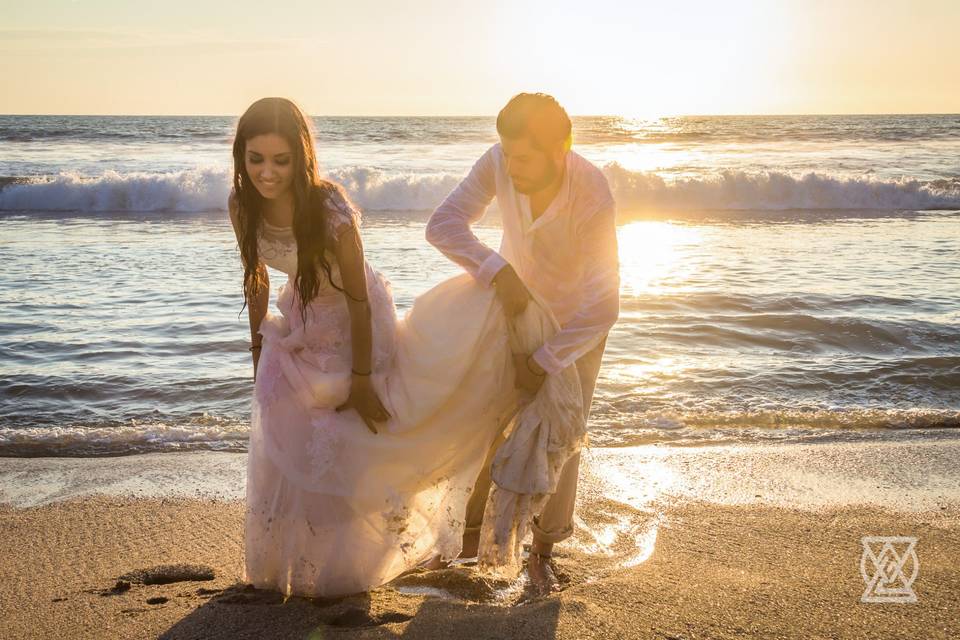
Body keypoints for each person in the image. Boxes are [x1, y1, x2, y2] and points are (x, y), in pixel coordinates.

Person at [229, 97, 581, 598]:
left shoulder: (329, 209)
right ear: (241, 156)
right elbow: (257, 276)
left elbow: (356, 298)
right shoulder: (240, 204)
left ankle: (359, 552)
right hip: (305, 312)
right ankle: (297, 555)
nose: (267, 173)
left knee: (352, 427)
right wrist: (258, 350)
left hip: (357, 319)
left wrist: (363, 377)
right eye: (255, 159)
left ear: (302, 156)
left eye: (280, 160)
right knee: (286, 414)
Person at [426, 92, 620, 594]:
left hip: (576, 327)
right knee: (485, 420)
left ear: (562, 148)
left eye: (524, 157)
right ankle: (468, 541)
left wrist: (547, 359)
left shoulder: (591, 190)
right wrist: (498, 270)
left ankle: (542, 552)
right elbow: (442, 225)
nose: (511, 167)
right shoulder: (498, 160)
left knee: (559, 439)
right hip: (510, 312)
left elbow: (604, 304)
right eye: (507, 153)